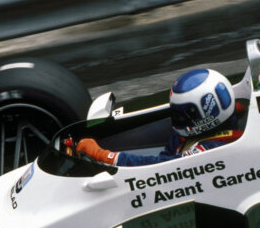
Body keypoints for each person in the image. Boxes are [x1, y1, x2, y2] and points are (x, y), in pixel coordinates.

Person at [76, 68, 243, 166]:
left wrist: (104, 156)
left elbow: (161, 167)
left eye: (183, 114)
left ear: (206, 113)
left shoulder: (210, 151)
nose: (177, 120)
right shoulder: (198, 130)